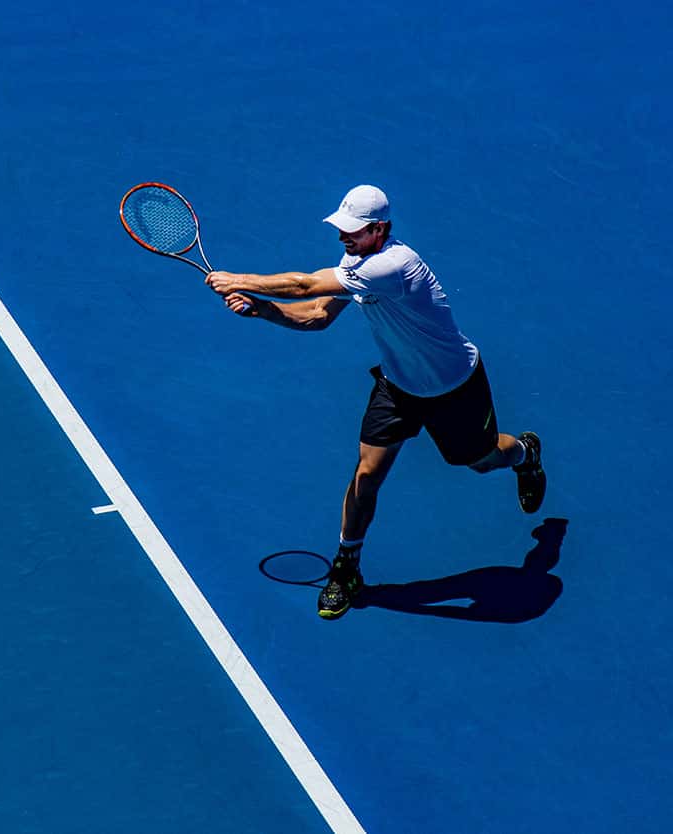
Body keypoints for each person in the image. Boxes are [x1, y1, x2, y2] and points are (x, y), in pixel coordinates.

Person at [205, 185, 546, 620]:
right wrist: (263, 310)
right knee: (367, 475)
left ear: (380, 229)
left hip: (454, 386)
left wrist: (238, 280)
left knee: (480, 460)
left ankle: (524, 453)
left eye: (353, 230)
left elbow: (304, 284)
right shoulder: (357, 262)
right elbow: (317, 315)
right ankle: (347, 566)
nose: (343, 237)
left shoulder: (394, 265)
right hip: (398, 386)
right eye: (341, 228)